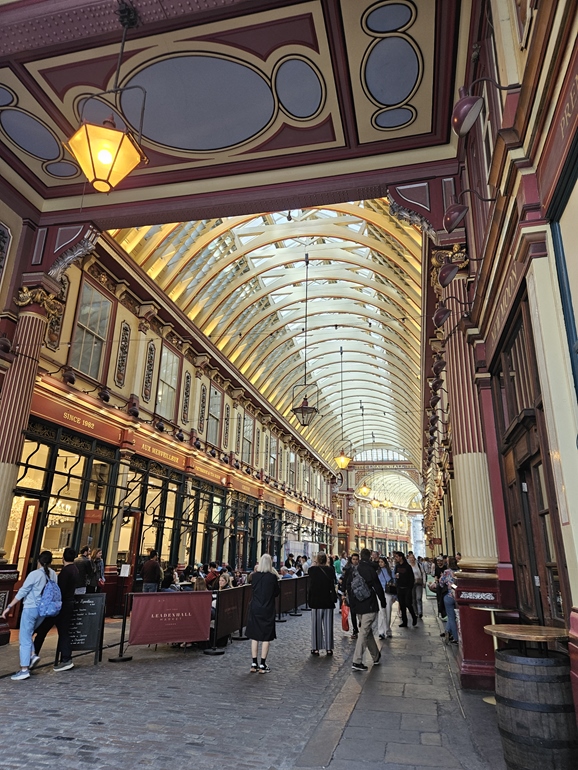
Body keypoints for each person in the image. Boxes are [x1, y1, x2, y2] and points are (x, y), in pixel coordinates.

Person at [2, 551, 57, 680]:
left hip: (31, 608)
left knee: (25, 638)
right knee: (28, 633)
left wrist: (9, 607)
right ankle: (32, 655)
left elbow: (23, 591)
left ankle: (24, 668)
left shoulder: (35, 574)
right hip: (44, 611)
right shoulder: (53, 574)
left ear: (39, 561)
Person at [32, 546, 80, 672]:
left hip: (59, 606)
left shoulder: (65, 572)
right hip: (69, 604)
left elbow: (59, 590)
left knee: (42, 631)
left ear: (63, 557)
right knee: (64, 632)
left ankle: (32, 656)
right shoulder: (75, 569)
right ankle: (66, 658)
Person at [345, 548, 386, 671]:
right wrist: (383, 602)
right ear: (369, 557)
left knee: (366, 631)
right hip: (369, 604)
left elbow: (348, 586)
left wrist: (352, 605)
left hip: (358, 605)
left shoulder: (354, 570)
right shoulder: (370, 569)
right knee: (364, 632)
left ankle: (376, 656)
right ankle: (357, 661)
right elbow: (377, 587)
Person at [245, 553, 280, 673]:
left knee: (255, 636)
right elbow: (276, 593)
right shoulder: (272, 577)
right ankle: (263, 664)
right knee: (266, 636)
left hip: (255, 608)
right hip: (267, 609)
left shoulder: (254, 576)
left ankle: (254, 663)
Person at [308, 552, 337, 655]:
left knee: (316, 625)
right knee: (328, 625)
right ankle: (329, 648)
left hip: (316, 600)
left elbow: (310, 569)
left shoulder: (312, 570)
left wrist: (315, 562)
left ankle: (316, 648)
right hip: (328, 600)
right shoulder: (330, 570)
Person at [393, 551, 417, 627]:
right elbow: (395, 575)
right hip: (400, 588)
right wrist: (396, 579)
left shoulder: (407, 566)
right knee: (402, 605)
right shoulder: (397, 566)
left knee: (408, 604)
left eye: (397, 557)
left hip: (407, 588)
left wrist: (410, 587)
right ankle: (404, 621)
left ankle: (414, 616)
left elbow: (411, 578)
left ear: (401, 557)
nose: (396, 558)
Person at [440, 557, 460, 644]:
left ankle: (455, 637)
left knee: (451, 617)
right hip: (458, 596)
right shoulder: (460, 572)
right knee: (454, 616)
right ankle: (447, 631)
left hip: (449, 596)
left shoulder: (446, 572)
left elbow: (441, 583)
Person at [376, 556, 397, 638]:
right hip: (380, 593)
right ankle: (381, 631)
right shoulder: (377, 572)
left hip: (388, 593)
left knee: (388, 611)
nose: (380, 563)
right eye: (379, 562)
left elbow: (394, 582)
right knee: (381, 612)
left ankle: (387, 630)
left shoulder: (390, 572)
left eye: (382, 562)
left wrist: (395, 595)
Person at [342, 553, 360, 638]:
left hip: (360, 593)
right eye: (353, 559)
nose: (355, 561)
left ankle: (360, 624)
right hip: (351, 593)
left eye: (356, 559)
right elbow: (345, 581)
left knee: (360, 611)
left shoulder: (361, 569)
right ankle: (355, 630)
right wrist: (343, 592)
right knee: (353, 612)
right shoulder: (349, 569)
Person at [408, 553, 426, 618]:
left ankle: (420, 612)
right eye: (410, 558)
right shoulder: (408, 566)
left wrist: (424, 581)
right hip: (411, 584)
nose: (412, 559)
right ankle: (415, 612)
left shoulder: (418, 565)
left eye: (412, 558)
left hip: (418, 583)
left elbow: (423, 573)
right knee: (413, 598)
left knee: (418, 597)